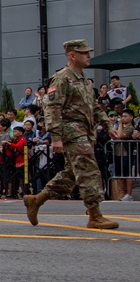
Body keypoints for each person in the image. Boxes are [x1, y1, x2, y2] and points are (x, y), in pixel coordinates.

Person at [25, 40, 121, 229]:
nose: (88, 56)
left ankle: (36, 199)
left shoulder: (83, 79)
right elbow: (52, 108)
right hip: (71, 131)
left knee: (71, 173)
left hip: (85, 131)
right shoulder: (62, 78)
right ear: (72, 55)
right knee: (88, 169)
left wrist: (106, 124)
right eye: (84, 53)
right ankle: (94, 215)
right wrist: (56, 137)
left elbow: (93, 106)